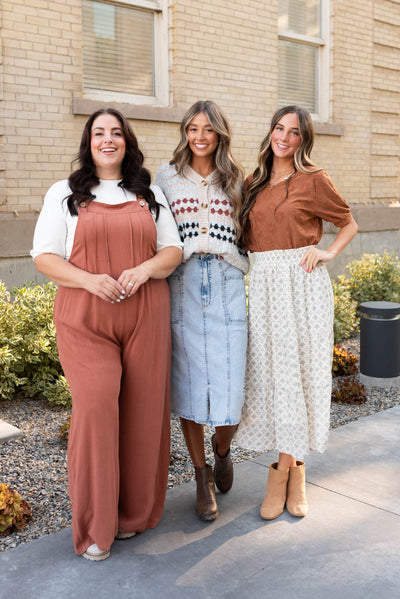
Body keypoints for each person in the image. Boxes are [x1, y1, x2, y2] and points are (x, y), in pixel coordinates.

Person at [31, 108, 183, 561]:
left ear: (127, 141)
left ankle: (133, 516)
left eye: (116, 132)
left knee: (142, 412)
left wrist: (144, 269)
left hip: (145, 315)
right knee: (96, 409)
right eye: (99, 132)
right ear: (89, 141)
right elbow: (43, 256)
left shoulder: (148, 193)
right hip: (85, 318)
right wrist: (89, 279)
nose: (108, 140)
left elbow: (173, 250)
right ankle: (97, 527)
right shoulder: (65, 193)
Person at [235, 105, 358, 520]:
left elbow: (348, 223)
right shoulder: (252, 182)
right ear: (271, 132)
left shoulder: (313, 179)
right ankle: (292, 470)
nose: (284, 138)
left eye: (294, 133)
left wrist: (327, 252)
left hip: (302, 284)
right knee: (273, 378)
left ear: (304, 140)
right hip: (266, 287)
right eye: (279, 128)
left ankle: (285, 478)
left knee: (298, 376)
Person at [155, 100, 249, 521]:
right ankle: (200, 475)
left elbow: (254, 234)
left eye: (207, 129)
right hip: (184, 281)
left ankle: (223, 448)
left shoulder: (239, 180)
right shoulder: (167, 177)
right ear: (185, 132)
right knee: (190, 384)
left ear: (220, 135)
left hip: (229, 281)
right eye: (192, 128)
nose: (199, 136)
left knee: (231, 384)